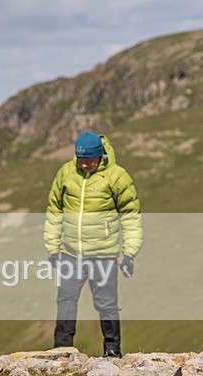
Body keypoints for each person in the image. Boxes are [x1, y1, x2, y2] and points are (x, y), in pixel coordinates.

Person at [44, 131, 142, 357]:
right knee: (66, 300)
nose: (86, 164)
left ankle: (112, 352)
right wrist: (52, 247)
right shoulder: (66, 173)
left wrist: (129, 253)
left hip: (103, 254)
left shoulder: (117, 176)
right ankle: (61, 351)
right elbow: (54, 211)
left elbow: (130, 216)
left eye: (90, 160)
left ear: (101, 155)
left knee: (107, 304)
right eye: (81, 159)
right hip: (71, 253)